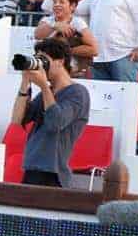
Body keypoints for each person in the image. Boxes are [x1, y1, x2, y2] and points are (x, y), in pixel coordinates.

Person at [11, 37, 91, 188]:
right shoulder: (46, 93)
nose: (41, 66)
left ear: (60, 62)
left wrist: (44, 86)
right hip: (32, 167)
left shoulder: (78, 93)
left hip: (54, 173)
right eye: (38, 60)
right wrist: (24, 83)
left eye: (44, 60)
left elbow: (55, 122)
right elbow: (17, 120)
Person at [34, 0, 98, 78]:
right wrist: (55, 25)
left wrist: (64, 51)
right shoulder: (47, 21)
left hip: (72, 73)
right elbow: (37, 34)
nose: (57, 5)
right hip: (47, 72)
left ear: (72, 6)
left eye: (61, 2)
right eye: (55, 2)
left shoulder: (78, 23)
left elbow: (94, 50)